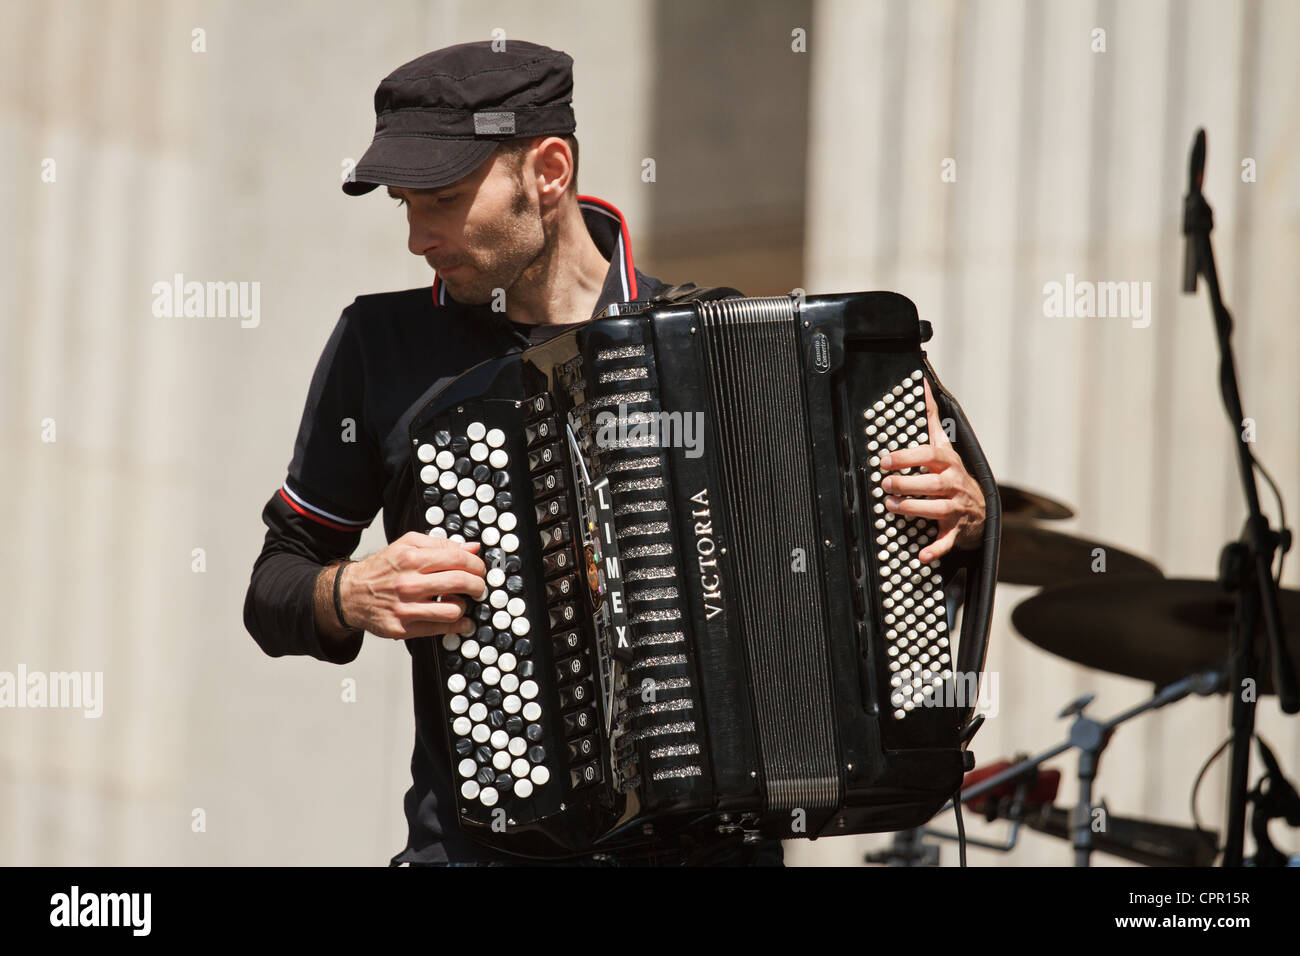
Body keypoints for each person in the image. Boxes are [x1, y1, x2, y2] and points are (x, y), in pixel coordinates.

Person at [243, 40, 986, 867]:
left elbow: (862, 572)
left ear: (548, 171)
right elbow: (275, 583)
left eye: (445, 200)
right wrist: (346, 592)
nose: (419, 237)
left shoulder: (724, 350)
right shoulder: (380, 349)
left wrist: (956, 519)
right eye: (404, 206)